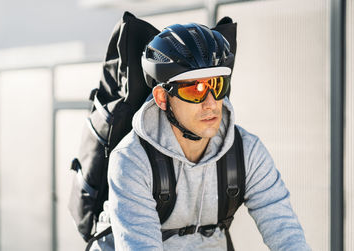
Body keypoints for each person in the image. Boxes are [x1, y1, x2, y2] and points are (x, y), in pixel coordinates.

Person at [90, 22, 311, 250]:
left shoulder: (246, 150)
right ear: (163, 98)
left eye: (216, 85)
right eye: (193, 89)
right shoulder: (131, 160)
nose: (210, 103)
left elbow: (285, 232)